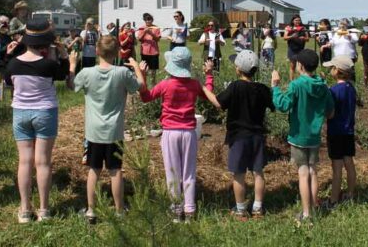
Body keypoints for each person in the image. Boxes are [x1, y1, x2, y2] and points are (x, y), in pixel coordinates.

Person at [3, 19, 77, 223]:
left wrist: (8, 54)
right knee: (43, 162)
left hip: (20, 113)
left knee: (24, 162)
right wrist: (65, 58)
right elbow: (64, 75)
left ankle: (25, 209)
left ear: (26, 40)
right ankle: (44, 209)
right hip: (45, 112)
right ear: (46, 42)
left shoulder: (13, 64)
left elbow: (6, 78)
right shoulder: (49, 65)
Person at [70, 36, 145, 223]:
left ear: (96, 51)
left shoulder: (87, 73)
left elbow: (72, 86)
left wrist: (72, 65)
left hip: (93, 132)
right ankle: (119, 211)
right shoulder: (122, 73)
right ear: (118, 53)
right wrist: (137, 67)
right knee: (115, 170)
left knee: (93, 169)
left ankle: (91, 211)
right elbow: (140, 87)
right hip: (114, 132)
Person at [137, 47, 215, 222]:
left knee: (173, 173)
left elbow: (145, 97)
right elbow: (208, 94)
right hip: (189, 132)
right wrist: (209, 75)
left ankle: (176, 210)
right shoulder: (194, 84)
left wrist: (142, 75)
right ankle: (189, 210)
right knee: (189, 172)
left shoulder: (165, 85)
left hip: (170, 132)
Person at [206, 50, 274, 220]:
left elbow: (218, 103)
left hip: (238, 137)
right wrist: (275, 85)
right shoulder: (262, 89)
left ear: (238, 69)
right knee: (258, 172)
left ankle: (241, 210)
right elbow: (273, 103)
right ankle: (258, 209)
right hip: (257, 136)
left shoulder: (235, 86)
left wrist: (204, 87)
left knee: (239, 174)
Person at [271, 49, 334, 225]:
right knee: (313, 170)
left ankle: (306, 215)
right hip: (314, 136)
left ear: (300, 65)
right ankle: (314, 204)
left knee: (303, 173)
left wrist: (275, 87)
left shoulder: (297, 85)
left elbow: (283, 105)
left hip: (299, 136)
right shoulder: (323, 85)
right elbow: (330, 112)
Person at [323, 56, 357, 207]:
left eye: (332, 67)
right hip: (348, 131)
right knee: (349, 162)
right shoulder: (351, 88)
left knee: (336, 167)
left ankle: (334, 200)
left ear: (337, 71)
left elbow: (330, 113)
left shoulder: (334, 90)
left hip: (336, 132)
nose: (330, 69)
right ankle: (350, 194)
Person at [283, 15, 308, 81]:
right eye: (296, 20)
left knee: (301, 66)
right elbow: (285, 38)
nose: (298, 21)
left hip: (301, 49)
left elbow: (307, 39)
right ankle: (292, 81)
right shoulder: (288, 28)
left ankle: (300, 81)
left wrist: (304, 38)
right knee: (292, 66)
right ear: (292, 21)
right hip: (292, 49)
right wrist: (292, 36)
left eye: (299, 20)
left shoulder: (303, 28)